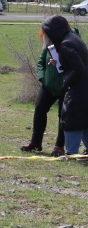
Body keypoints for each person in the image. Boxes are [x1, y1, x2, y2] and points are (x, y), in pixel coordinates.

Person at [41, 15, 88, 156]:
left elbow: (77, 69)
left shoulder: (66, 44)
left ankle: (71, 153)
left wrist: (65, 82)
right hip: (84, 87)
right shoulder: (73, 39)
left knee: (71, 118)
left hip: (79, 89)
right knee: (84, 119)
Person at [20, 31, 66, 156]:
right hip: (48, 85)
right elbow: (41, 63)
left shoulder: (70, 43)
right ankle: (35, 143)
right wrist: (42, 78)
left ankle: (59, 147)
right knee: (39, 109)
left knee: (63, 115)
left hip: (66, 86)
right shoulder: (49, 44)